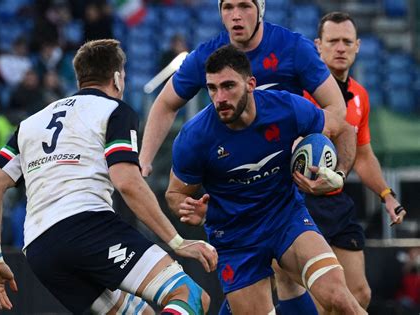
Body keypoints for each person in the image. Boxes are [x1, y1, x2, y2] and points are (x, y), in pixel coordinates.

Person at [0, 39, 218, 315]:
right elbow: (127, 182)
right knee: (191, 296)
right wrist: (178, 241)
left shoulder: (31, 123)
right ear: (117, 78)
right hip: (88, 228)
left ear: (81, 77)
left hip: (39, 249)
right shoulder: (114, 111)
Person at [166, 44, 366, 314]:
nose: (219, 98)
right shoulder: (194, 137)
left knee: (340, 299)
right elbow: (175, 193)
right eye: (212, 89)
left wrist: (339, 176)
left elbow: (343, 131)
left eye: (228, 86)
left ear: (251, 84)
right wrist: (189, 208)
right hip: (235, 238)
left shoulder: (285, 108)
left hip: (286, 218)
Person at [274, 12, 408, 313]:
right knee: (323, 299)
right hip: (300, 203)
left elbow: (363, 155)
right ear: (318, 46)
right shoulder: (299, 93)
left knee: (359, 293)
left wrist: (387, 195)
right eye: (333, 41)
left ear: (358, 46)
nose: (340, 48)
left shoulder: (360, 95)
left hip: (337, 202)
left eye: (347, 41)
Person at [140, 0, 347, 179]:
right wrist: (145, 160)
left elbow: (336, 106)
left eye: (245, 6)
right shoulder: (206, 56)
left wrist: (307, 138)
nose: (236, 16)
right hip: (232, 172)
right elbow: (166, 104)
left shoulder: (294, 48)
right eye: (228, 7)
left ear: (260, 9)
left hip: (287, 170)